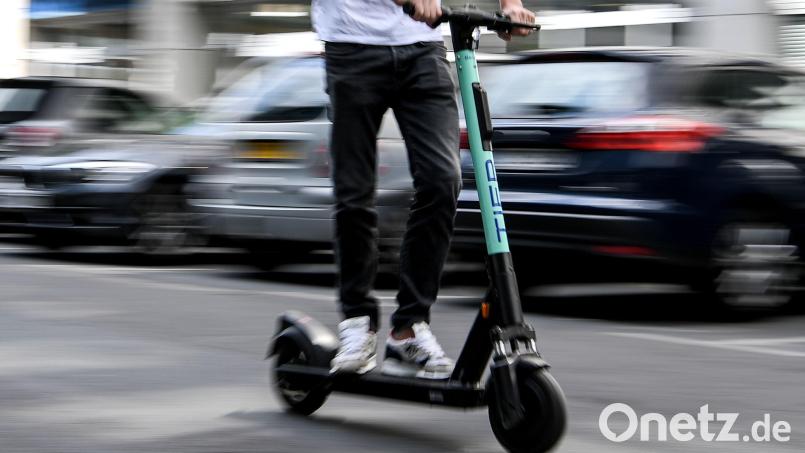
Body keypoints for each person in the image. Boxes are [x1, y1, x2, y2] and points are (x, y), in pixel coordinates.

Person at [313, 0, 536, 379]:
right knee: (355, 195)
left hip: (422, 49)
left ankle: (408, 328)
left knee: (442, 180)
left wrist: (510, 6)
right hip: (351, 44)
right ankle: (357, 323)